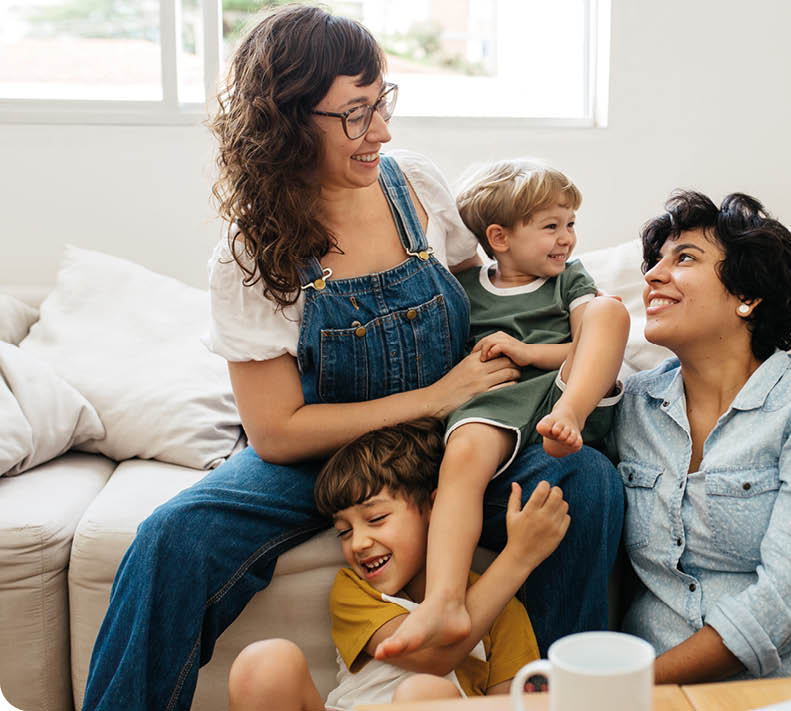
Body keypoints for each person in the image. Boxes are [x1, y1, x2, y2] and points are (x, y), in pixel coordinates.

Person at [80, 6, 623, 710]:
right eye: (356, 115)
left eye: (382, 104)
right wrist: (431, 396)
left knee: (584, 482)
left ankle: (564, 700)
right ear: (287, 122)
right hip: (319, 458)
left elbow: (490, 294)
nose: (383, 132)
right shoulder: (251, 256)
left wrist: (539, 361)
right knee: (169, 542)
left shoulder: (417, 188)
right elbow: (276, 430)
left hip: (454, 438)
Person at [609, 190, 791, 683]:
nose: (653, 275)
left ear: (748, 296)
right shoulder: (633, 405)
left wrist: (627, 687)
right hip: (669, 696)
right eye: (654, 262)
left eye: (685, 258)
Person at [378, 159, 629, 659]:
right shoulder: (467, 290)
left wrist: (534, 353)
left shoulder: (568, 281)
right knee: (464, 454)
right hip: (498, 399)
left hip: (563, 392)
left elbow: (589, 341)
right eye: (551, 226)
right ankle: (445, 599)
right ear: (499, 237)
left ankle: (572, 418)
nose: (568, 239)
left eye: (571, 224)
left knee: (609, 309)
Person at [228, 418, 567, 710]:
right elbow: (433, 658)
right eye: (343, 532)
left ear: (435, 509)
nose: (358, 543)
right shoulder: (355, 591)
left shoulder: (503, 610)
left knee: (422, 695)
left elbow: (511, 703)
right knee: (264, 662)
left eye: (375, 518)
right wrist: (518, 558)